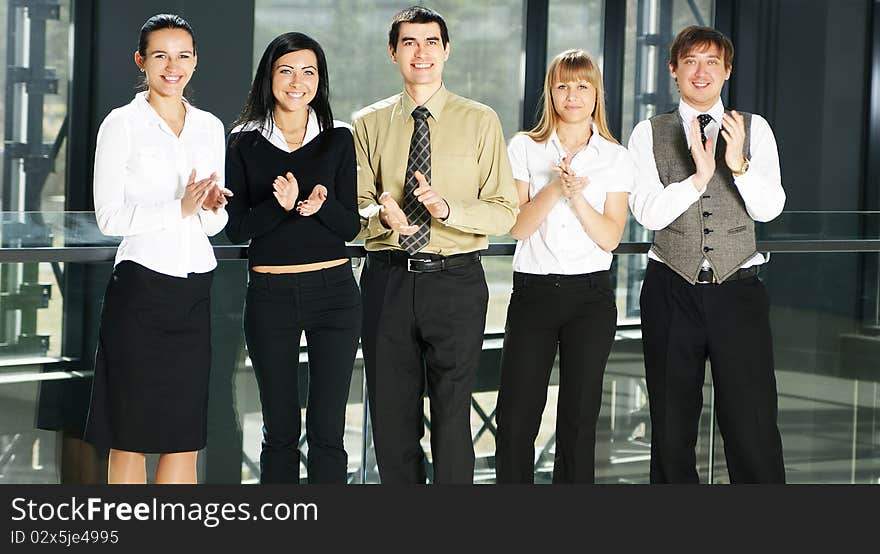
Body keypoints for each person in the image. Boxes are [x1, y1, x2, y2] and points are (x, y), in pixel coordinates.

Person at [353, 5, 518, 484]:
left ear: (446, 50)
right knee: (391, 416)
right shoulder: (367, 122)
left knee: (452, 414)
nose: (420, 52)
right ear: (393, 52)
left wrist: (449, 211)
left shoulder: (481, 121)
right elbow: (356, 206)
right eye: (409, 42)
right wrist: (382, 215)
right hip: (387, 281)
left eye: (430, 42)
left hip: (456, 281)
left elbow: (505, 210)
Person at [628, 25, 786, 483]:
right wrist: (698, 178)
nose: (701, 72)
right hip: (669, 290)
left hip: (738, 291)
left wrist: (738, 166)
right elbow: (646, 213)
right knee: (672, 426)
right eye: (691, 61)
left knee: (752, 422)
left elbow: (770, 207)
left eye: (712, 62)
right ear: (673, 69)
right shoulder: (648, 132)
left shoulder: (754, 129)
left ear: (727, 71)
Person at [85, 13, 231, 484]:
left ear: (195, 61)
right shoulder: (122, 124)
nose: (174, 66)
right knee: (130, 436)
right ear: (141, 61)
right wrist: (179, 208)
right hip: (141, 291)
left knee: (183, 438)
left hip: (194, 291)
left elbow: (212, 223)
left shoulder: (210, 127)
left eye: (184, 55)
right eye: (161, 56)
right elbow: (108, 218)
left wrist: (209, 206)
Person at [225, 32, 361, 484]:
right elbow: (238, 230)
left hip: (335, 294)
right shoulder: (243, 142)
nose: (297, 81)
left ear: (319, 81)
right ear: (269, 76)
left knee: (328, 430)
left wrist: (322, 207)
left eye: (309, 72)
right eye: (286, 70)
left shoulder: (339, 138)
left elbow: (350, 227)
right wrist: (278, 207)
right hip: (270, 295)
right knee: (279, 429)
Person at [494, 49, 633, 484]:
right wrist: (555, 188)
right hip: (533, 293)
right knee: (516, 417)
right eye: (562, 86)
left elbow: (610, 237)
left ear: (596, 93)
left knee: (578, 420)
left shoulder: (615, 156)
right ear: (550, 92)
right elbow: (517, 227)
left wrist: (577, 197)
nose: (572, 95)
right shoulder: (524, 147)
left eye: (582, 86)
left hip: (590, 298)